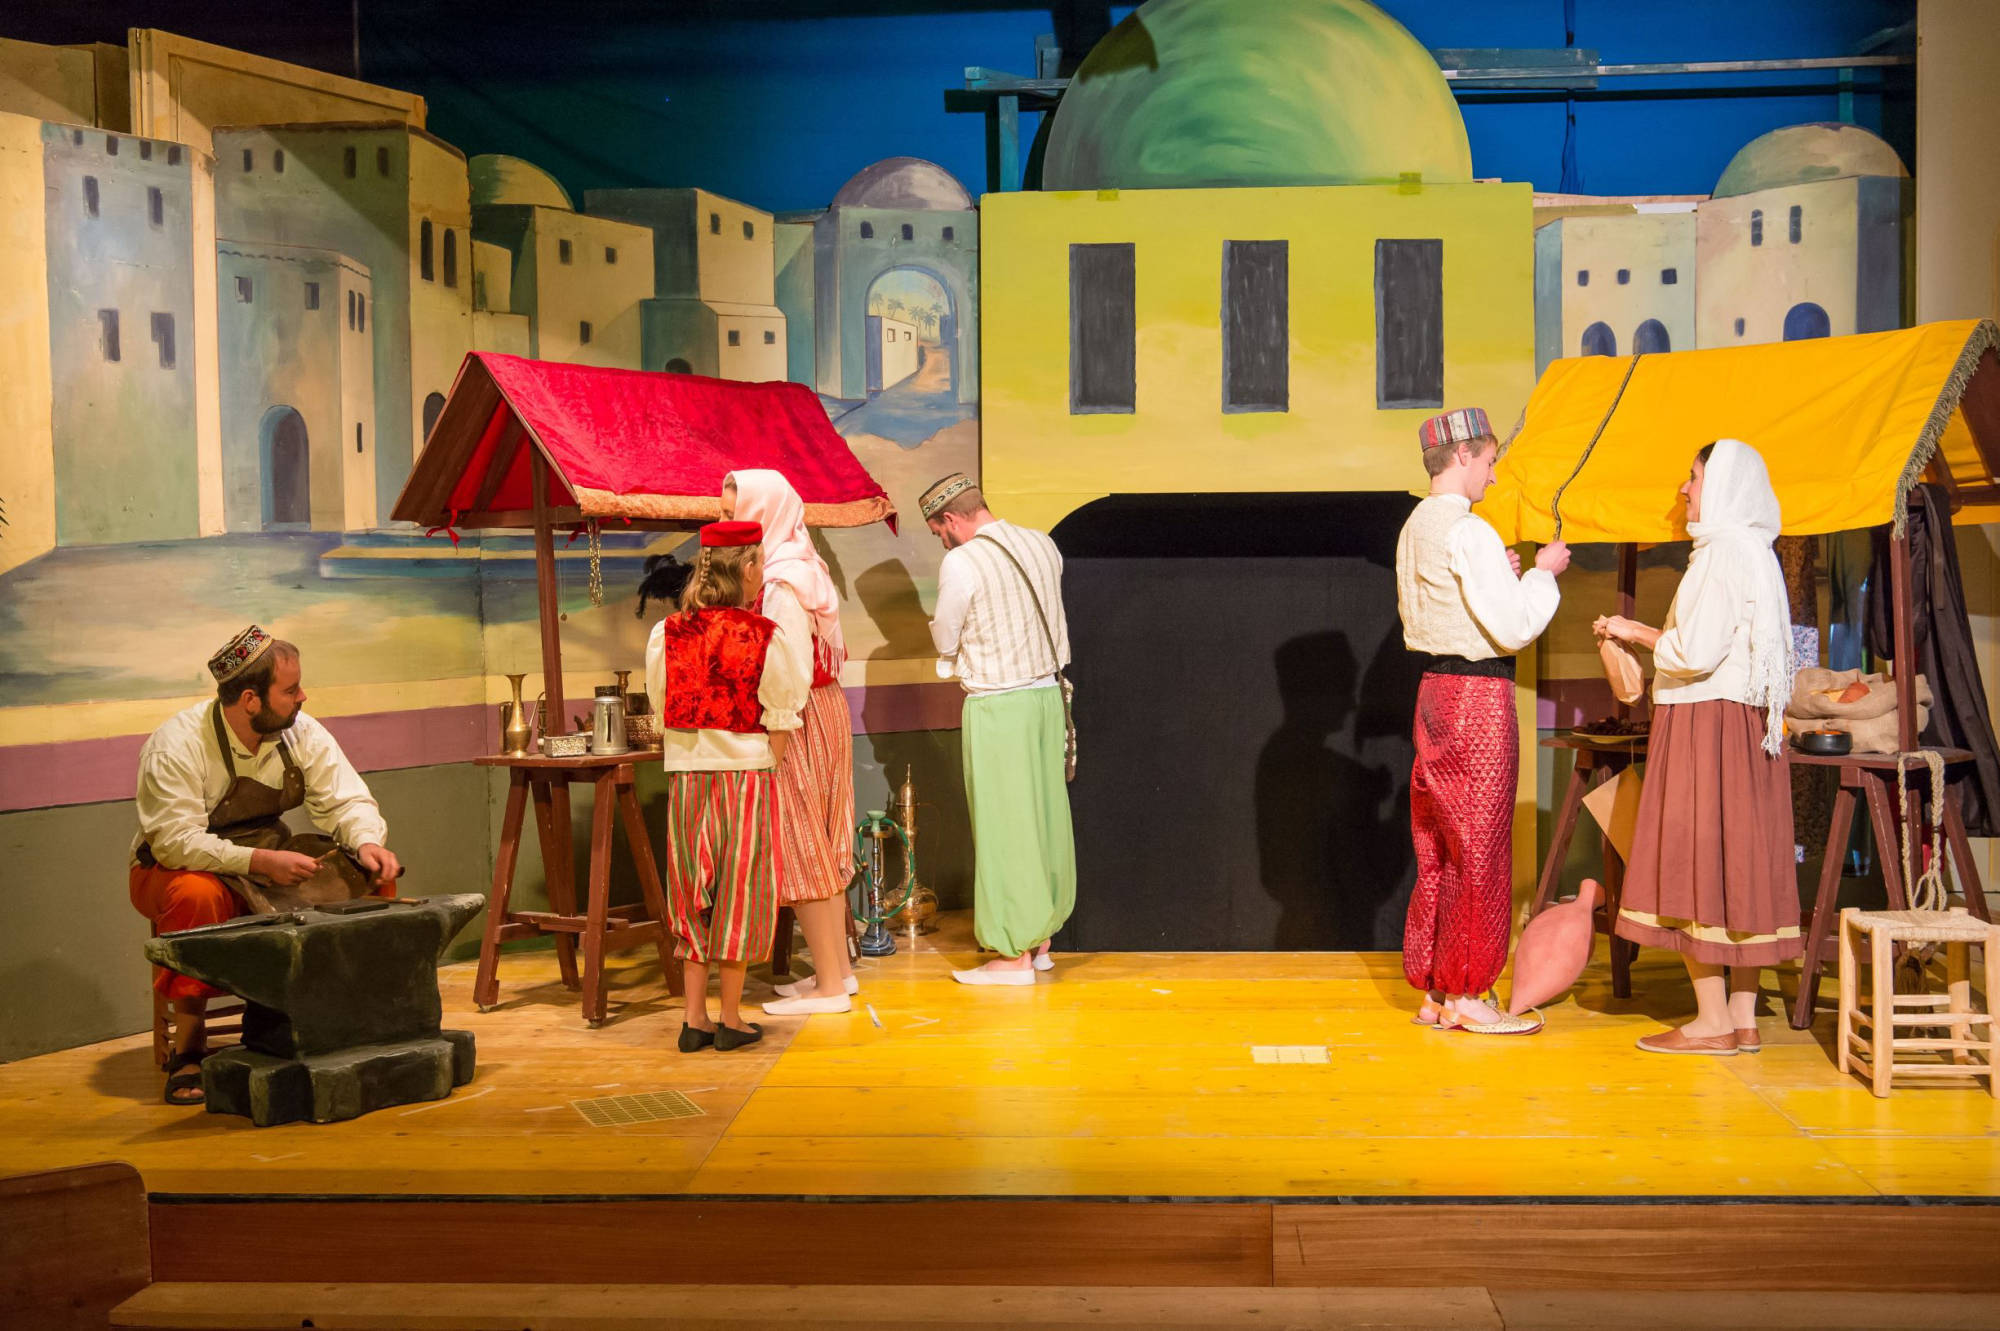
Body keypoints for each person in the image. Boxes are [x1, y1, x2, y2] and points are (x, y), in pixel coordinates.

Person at [130, 627, 401, 1105]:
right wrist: (258, 861)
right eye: (291, 690)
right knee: (197, 895)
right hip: (176, 869)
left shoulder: (301, 731)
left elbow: (346, 800)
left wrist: (364, 842)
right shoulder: (176, 745)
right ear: (250, 700)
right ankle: (189, 1047)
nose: (303, 697)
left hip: (267, 859)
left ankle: (346, 1024)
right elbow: (174, 842)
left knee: (369, 878)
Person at [1597, 439, 1798, 1056]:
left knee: (1694, 858)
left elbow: (1696, 651)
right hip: (1746, 726)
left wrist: (1634, 632)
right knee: (1738, 861)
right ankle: (1742, 1018)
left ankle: (1712, 1022)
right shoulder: (1757, 552)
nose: (1684, 489)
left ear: (1724, 485)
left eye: (1694, 477)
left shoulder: (1721, 553)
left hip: (1705, 723)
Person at [1396, 408, 1569, 1035]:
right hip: (1476, 699)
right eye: (1491, 462)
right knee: (1480, 846)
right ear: (1465, 456)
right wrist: (1543, 577)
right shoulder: (1468, 529)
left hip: (1435, 693)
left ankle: (1439, 989)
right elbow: (1513, 627)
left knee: (1441, 845)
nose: (1493, 477)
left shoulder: (1416, 525)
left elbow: (1455, 602)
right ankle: (1469, 993)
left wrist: (1504, 576)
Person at [646, 520, 808, 1051]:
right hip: (745, 776)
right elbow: (780, 714)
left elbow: (661, 705)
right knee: (742, 892)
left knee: (692, 890)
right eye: (759, 561)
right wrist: (768, 766)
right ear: (747, 567)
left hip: (688, 777)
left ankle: (693, 1018)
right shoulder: (763, 635)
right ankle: (730, 1017)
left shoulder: (666, 633)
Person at [921, 473, 1075, 986]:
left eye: (938, 532)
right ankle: (1040, 939)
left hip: (999, 703)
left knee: (1005, 825)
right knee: (1043, 817)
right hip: (1047, 699)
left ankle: (1012, 957)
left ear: (951, 519)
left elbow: (946, 636)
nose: (942, 542)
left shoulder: (963, 561)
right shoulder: (1042, 543)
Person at [719, 470, 860, 1018]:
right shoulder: (805, 564)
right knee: (819, 839)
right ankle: (837, 973)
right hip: (822, 710)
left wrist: (772, 737)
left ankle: (829, 987)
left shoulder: (780, 582)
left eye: (732, 512)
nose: (724, 521)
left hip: (796, 718)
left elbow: (789, 670)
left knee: (801, 844)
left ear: (762, 515)